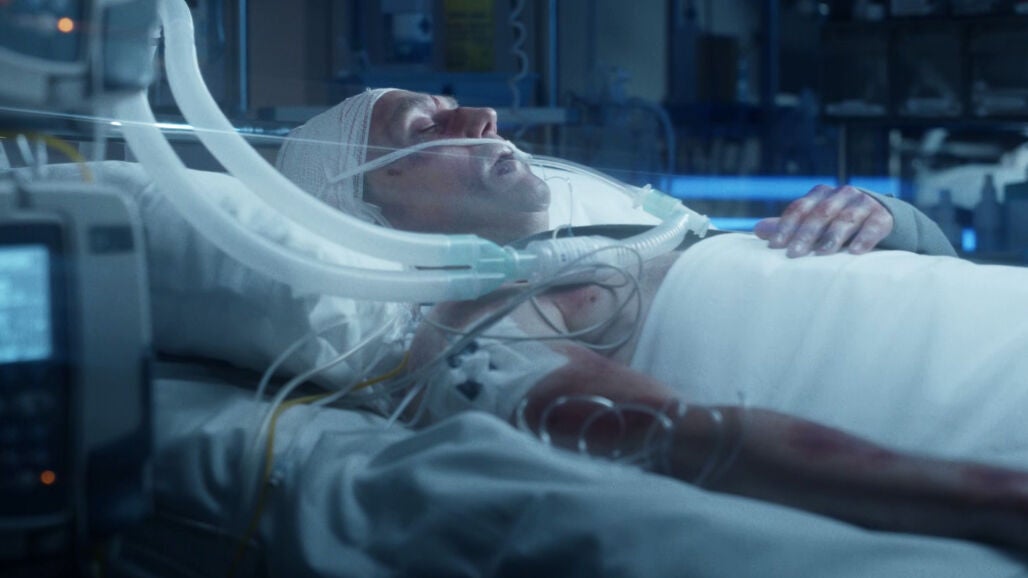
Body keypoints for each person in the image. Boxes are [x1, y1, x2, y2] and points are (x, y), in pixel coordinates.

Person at [276, 89, 1028, 551]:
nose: (481, 116)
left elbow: (928, 283)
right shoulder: (473, 328)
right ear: (366, 214)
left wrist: (890, 220)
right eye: (423, 127)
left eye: (454, 104)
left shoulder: (639, 240)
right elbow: (692, 440)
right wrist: (989, 498)